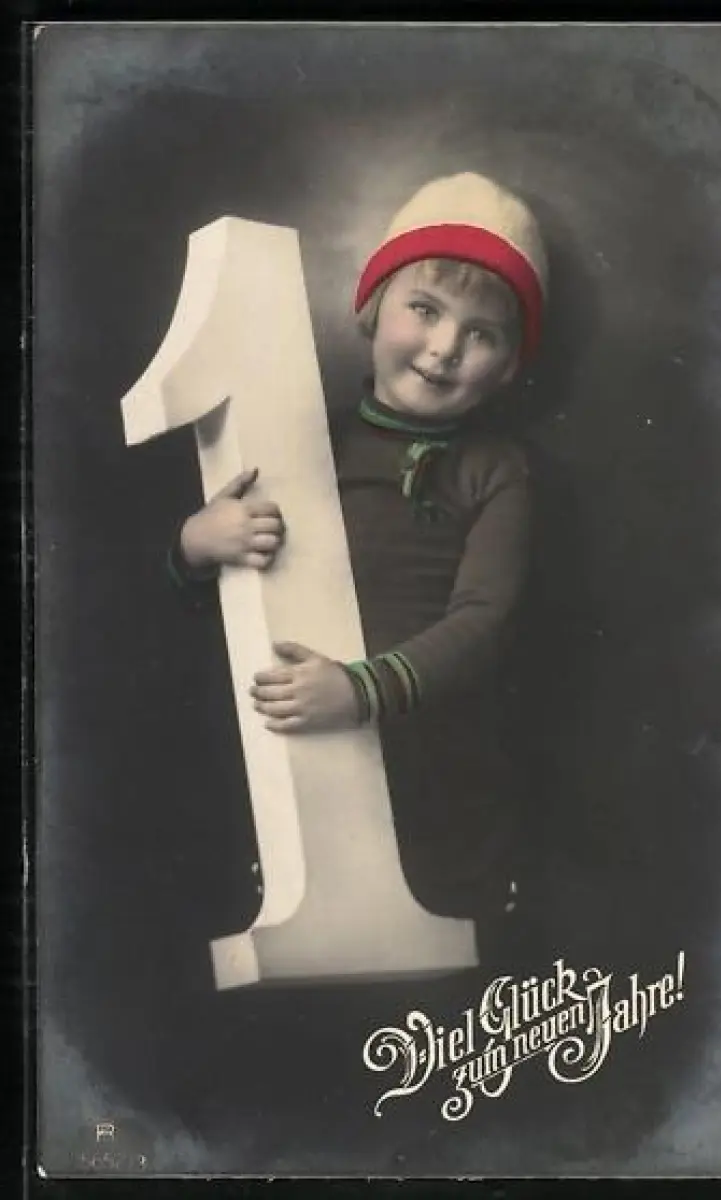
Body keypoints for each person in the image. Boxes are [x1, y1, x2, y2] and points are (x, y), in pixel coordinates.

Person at [169, 172, 548, 947]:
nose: (444, 347)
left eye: (481, 333)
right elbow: (234, 594)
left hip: (430, 750)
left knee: (437, 943)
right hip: (293, 741)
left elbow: (485, 621)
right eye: (425, 309)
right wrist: (195, 546)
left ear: (509, 364)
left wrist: (362, 689)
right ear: (372, 308)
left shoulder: (496, 467)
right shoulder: (299, 435)